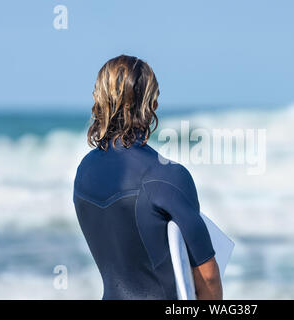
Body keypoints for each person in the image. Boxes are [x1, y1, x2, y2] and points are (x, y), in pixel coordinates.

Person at [73, 55, 222, 300]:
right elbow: (208, 277)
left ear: (98, 100)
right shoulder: (168, 176)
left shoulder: (84, 172)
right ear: (151, 103)